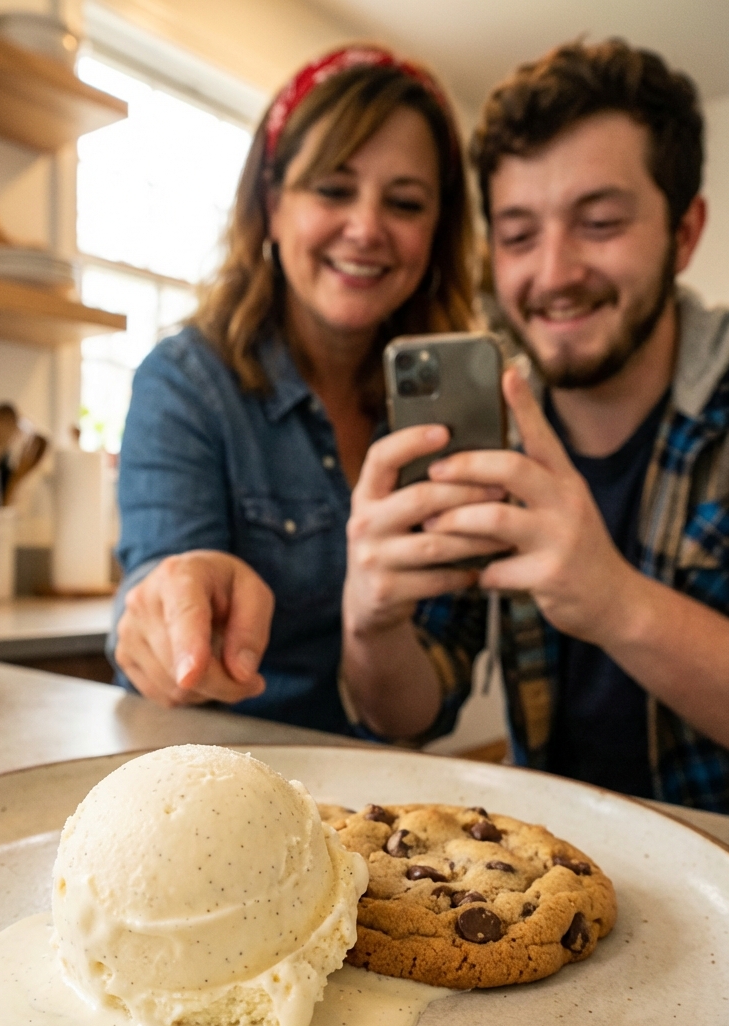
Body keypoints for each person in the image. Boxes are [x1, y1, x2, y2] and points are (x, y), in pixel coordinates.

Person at [341, 39, 729, 811]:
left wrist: (617, 602)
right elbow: (411, 713)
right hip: (562, 869)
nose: (551, 274)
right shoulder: (488, 430)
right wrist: (371, 625)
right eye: (518, 235)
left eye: (600, 222)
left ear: (684, 234)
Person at [110, 45, 475, 733]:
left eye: (404, 202)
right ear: (272, 206)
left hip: (377, 808)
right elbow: (152, 585)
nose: (366, 228)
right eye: (333, 189)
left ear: (436, 232)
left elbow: (420, 717)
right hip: (213, 787)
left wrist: (376, 624)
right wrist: (165, 614)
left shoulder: (452, 414)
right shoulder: (187, 383)